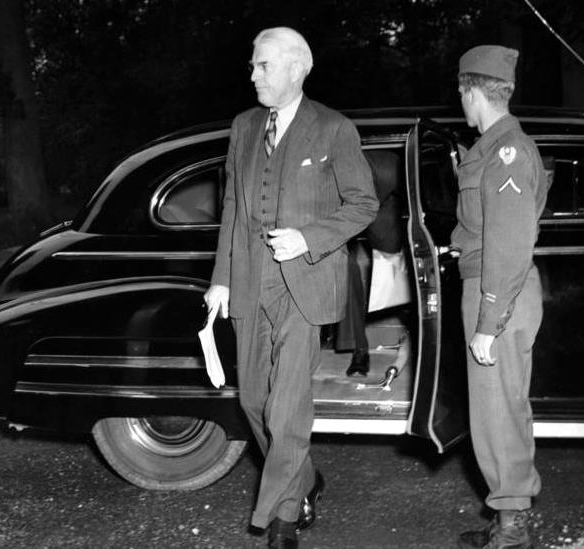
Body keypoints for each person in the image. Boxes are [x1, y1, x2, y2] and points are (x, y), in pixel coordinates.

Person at [204, 27, 378, 549]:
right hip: (250, 285)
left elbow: (363, 204)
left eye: (263, 65)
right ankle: (304, 479)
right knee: (254, 401)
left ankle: (281, 519)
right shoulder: (243, 126)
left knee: (287, 410)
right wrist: (220, 279)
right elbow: (233, 207)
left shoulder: (333, 128)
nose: (253, 74)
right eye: (254, 66)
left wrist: (309, 238)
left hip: (304, 288)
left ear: (297, 67)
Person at [452, 45, 549, 549]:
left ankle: (512, 530)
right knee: (501, 408)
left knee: (497, 413)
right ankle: (507, 515)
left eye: (462, 94)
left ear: (473, 92)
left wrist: (488, 321)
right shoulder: (496, 148)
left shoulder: (505, 151)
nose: (461, 104)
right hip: (498, 287)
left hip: (498, 292)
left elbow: (509, 247)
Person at [334, 150, 405, 376]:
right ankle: (359, 349)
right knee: (343, 266)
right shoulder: (330, 174)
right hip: (341, 213)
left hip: (382, 208)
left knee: (392, 261)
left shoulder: (390, 169)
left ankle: (412, 330)